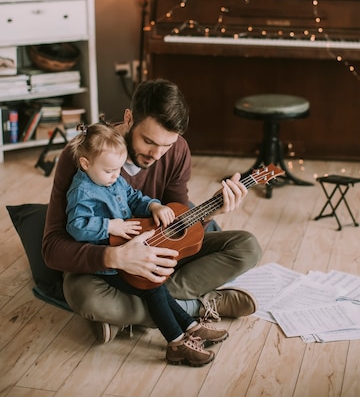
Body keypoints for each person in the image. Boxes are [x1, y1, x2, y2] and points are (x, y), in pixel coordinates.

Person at [42, 78, 262, 346]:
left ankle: (133, 313)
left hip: (157, 252)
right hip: (107, 263)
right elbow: (52, 248)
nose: (157, 154)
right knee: (83, 295)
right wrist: (117, 256)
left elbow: (180, 229)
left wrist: (209, 212)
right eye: (148, 141)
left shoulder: (177, 150)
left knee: (247, 247)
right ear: (129, 118)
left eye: (166, 146)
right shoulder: (83, 155)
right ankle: (198, 306)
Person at [66, 122, 228, 366]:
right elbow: (76, 226)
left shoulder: (113, 178)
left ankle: (191, 326)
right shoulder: (82, 191)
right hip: (108, 260)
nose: (115, 176)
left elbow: (133, 197)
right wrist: (111, 226)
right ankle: (175, 343)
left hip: (132, 246)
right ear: (85, 164)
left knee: (157, 285)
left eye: (119, 169)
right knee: (153, 285)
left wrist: (154, 205)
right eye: (110, 171)